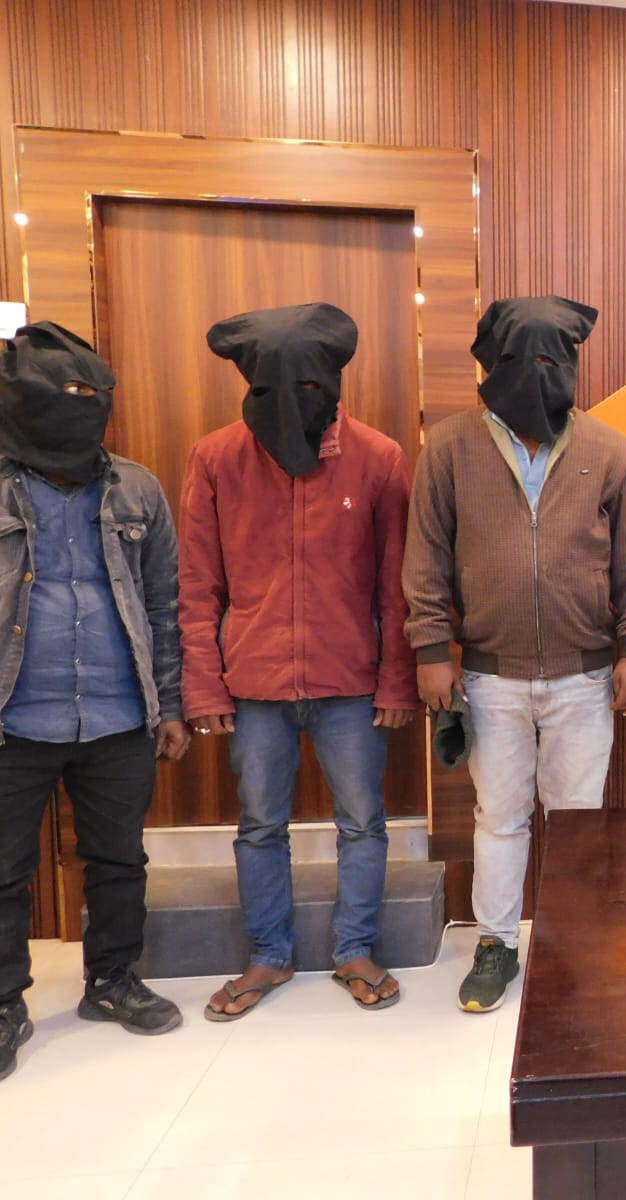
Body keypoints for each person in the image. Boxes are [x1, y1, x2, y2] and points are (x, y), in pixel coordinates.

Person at [405, 295, 626, 1014]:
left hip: (585, 675)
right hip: (490, 675)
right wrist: (431, 647)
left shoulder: (606, 448)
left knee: (578, 820)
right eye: (519, 359)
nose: (535, 373)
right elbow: (426, 556)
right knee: (499, 816)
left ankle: (570, 944)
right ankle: (495, 944)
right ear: (490, 364)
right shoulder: (450, 447)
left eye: (552, 358)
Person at [181, 302, 417, 1020]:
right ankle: (268, 954)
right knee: (258, 824)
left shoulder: (378, 458)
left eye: (307, 388)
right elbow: (197, 582)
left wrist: (396, 680)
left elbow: (398, 584)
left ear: (331, 383)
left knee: (362, 821)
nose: (289, 404)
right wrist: (203, 686)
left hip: (350, 679)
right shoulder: (216, 458)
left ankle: (355, 949)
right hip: (254, 682)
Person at [0, 322, 190, 1081]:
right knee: (3, 871)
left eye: (92, 394)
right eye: (65, 394)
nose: (81, 406)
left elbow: (164, 603)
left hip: (118, 712)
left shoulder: (137, 488)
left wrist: (168, 705)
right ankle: (4, 1004)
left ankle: (112, 980)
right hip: (13, 717)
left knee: (117, 860)